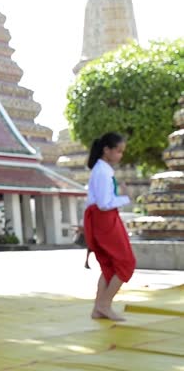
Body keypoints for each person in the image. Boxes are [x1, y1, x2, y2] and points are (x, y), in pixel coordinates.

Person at [84, 132, 135, 322]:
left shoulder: (102, 169)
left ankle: (99, 308)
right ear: (107, 150)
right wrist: (125, 197)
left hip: (102, 218)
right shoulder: (103, 171)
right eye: (119, 151)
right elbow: (105, 203)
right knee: (126, 262)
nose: (121, 155)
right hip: (104, 218)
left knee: (110, 264)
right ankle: (104, 304)